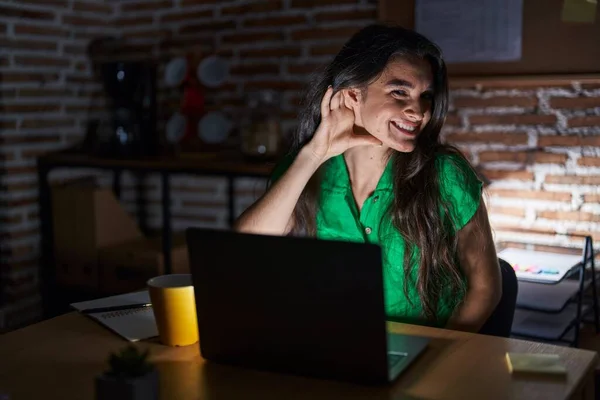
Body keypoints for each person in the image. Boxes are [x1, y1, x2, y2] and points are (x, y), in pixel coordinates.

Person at [234, 24, 502, 333]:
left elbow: (486, 288)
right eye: (399, 91)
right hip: (336, 347)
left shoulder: (445, 172)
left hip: (428, 356)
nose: (419, 111)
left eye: (425, 95)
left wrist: (439, 358)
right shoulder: (308, 170)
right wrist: (313, 154)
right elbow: (245, 249)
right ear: (352, 96)